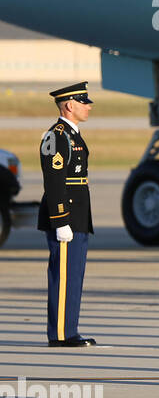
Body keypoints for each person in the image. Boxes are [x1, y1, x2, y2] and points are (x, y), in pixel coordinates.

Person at [39, 82, 96, 347]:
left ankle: (69, 329)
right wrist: (60, 220)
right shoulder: (58, 135)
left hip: (78, 215)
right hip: (66, 215)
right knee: (63, 276)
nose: (89, 106)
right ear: (69, 105)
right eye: (83, 102)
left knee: (74, 275)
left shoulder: (72, 134)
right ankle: (60, 334)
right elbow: (54, 181)